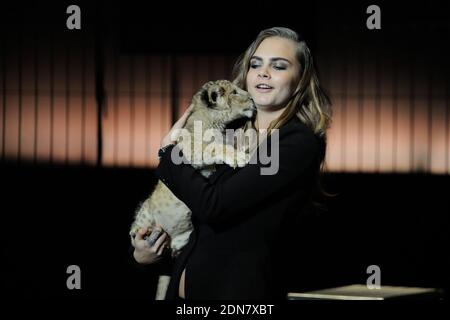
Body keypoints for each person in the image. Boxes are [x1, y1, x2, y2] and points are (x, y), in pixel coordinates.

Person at [131, 26, 332, 300]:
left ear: (300, 80)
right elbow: (200, 226)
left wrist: (168, 153)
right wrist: (151, 253)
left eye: (279, 66)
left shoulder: (297, 142)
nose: (263, 72)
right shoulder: (228, 134)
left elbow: (215, 206)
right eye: (256, 64)